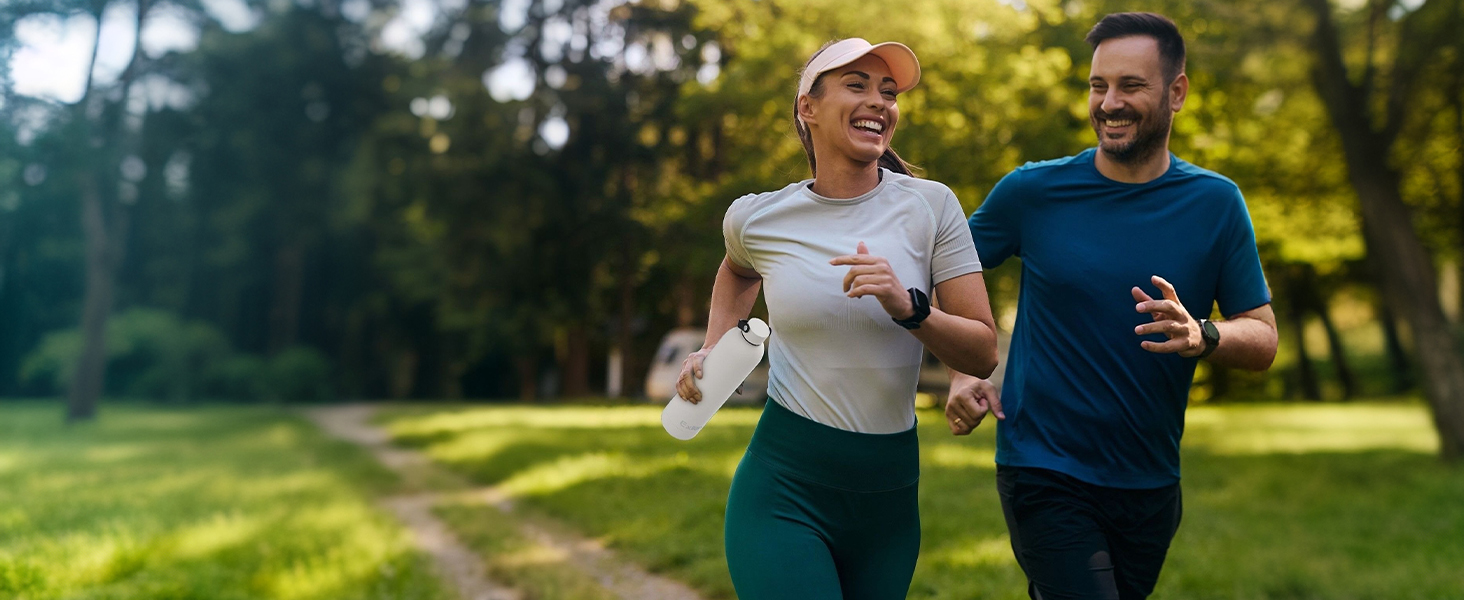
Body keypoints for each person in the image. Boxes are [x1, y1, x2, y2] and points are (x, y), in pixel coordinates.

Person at [945, 12, 1280, 600]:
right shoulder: (1032, 192)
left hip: (1150, 481)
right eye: (1099, 86)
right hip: (1043, 467)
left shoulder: (1216, 203)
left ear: (1176, 92)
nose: (1109, 103)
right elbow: (949, 272)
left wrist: (1206, 335)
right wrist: (962, 369)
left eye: (1131, 86)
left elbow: (1263, 338)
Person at [674, 38, 1000, 599]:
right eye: (858, 85)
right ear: (808, 107)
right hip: (784, 489)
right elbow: (736, 271)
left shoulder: (931, 206)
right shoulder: (757, 217)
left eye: (888, 92)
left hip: (888, 500)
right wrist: (714, 345)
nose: (879, 102)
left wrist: (910, 308)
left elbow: (982, 350)